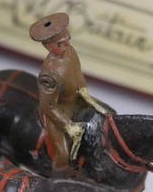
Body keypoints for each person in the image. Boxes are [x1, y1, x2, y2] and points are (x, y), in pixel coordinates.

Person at [29, 13, 109, 177]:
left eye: (68, 39)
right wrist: (68, 126)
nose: (66, 44)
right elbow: (48, 106)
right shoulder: (48, 74)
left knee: (107, 113)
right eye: (60, 43)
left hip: (77, 98)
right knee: (63, 155)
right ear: (49, 47)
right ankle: (55, 183)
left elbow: (78, 74)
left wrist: (84, 91)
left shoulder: (70, 52)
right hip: (60, 111)